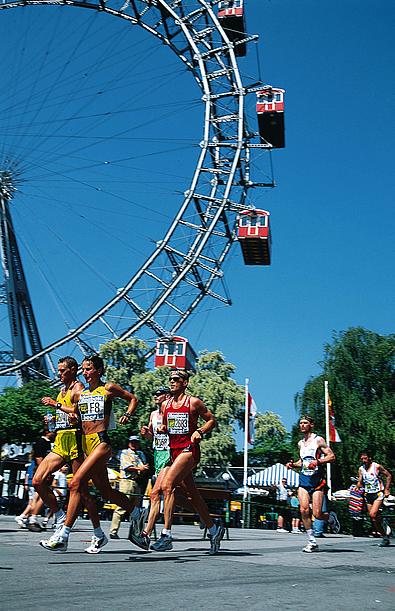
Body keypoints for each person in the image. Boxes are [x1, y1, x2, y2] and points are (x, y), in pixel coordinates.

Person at [40, 355, 139, 553]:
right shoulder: (81, 394)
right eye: (83, 369)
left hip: (101, 443)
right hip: (85, 444)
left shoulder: (108, 388)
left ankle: (63, 534)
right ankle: (136, 511)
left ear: (99, 370)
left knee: (75, 483)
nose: (85, 373)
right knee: (105, 491)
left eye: (89, 369)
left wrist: (128, 414)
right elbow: (74, 416)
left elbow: (133, 398)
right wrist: (64, 417)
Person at [129, 369, 225, 555]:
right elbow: (166, 429)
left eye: (176, 379)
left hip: (190, 450)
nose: (172, 382)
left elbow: (211, 420)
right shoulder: (166, 406)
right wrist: (159, 431)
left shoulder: (193, 402)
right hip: (173, 452)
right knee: (193, 496)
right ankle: (214, 529)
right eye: (170, 379)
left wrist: (200, 431)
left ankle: (166, 535)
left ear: (185, 383)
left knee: (168, 486)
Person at [32, 357, 105, 551]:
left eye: (63, 370)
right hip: (60, 440)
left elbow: (82, 411)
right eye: (58, 370)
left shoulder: (78, 388)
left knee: (81, 491)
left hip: (76, 441)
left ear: (73, 370)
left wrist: (56, 405)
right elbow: (67, 415)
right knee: (37, 481)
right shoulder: (62, 390)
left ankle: (93, 533)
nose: (59, 373)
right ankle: (59, 515)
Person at [286, 414, 338, 553]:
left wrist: (318, 461)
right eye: (301, 423)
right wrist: (293, 465)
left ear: (311, 425)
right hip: (304, 480)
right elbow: (302, 462)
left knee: (317, 514)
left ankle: (331, 518)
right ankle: (312, 541)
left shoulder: (318, 440)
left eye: (305, 423)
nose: (302, 425)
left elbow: (332, 456)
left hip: (317, 481)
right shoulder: (300, 443)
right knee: (303, 510)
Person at [109, 435, 149, 539]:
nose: (134, 444)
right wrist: (140, 468)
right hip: (126, 481)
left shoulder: (141, 454)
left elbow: (144, 467)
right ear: (129, 443)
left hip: (138, 482)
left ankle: (135, 532)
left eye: (136, 442)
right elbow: (128, 467)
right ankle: (113, 531)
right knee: (122, 505)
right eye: (132, 442)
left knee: (136, 509)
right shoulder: (124, 453)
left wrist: (142, 469)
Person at [356, 450, 392, 547]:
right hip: (368, 494)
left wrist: (387, 489)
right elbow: (360, 480)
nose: (364, 460)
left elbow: (388, 475)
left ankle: (383, 525)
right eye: (362, 459)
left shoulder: (376, 466)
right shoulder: (361, 469)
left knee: (372, 514)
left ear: (370, 458)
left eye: (365, 458)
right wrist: (358, 485)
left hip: (378, 493)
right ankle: (385, 537)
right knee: (373, 518)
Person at [26, 429, 56, 531]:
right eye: (53, 431)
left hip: (46, 471)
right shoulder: (41, 442)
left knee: (38, 496)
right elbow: (39, 458)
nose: (55, 433)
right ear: (47, 432)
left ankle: (29, 517)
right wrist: (45, 471)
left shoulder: (49, 443)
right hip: (42, 471)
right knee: (42, 496)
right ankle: (32, 519)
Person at [141, 387, 171, 477]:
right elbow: (151, 436)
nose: (155, 396)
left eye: (158, 394)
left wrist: (165, 429)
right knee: (159, 477)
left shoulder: (172, 413)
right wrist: (146, 433)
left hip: (170, 449)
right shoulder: (153, 414)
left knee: (163, 478)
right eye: (154, 394)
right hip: (158, 450)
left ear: (167, 396)